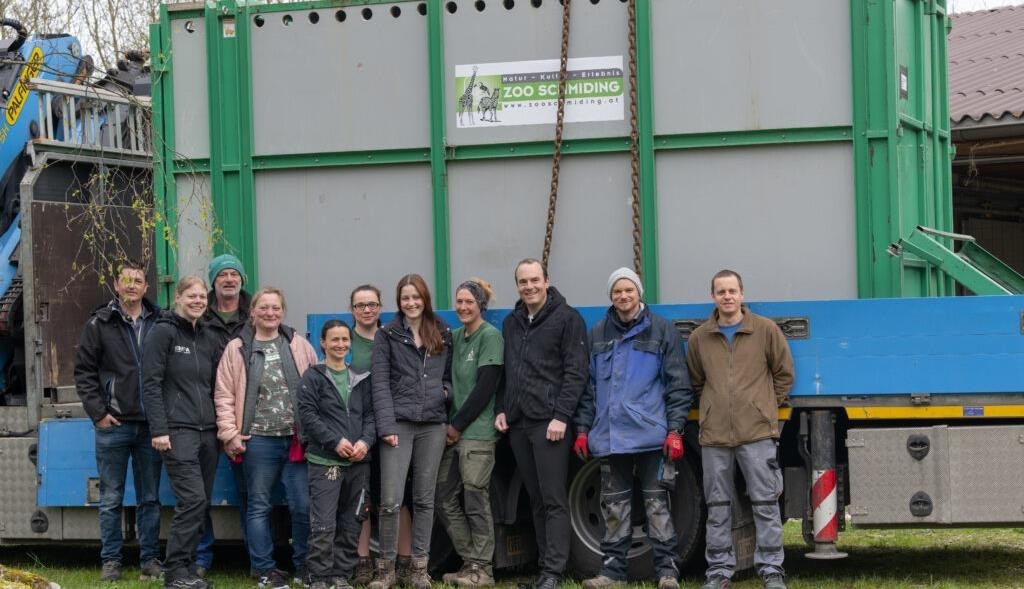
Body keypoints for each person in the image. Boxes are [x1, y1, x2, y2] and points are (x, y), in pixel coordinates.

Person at [574, 268, 694, 589]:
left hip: (652, 438)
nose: (623, 296)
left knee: (658, 506)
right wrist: (583, 428)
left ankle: (667, 572)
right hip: (610, 438)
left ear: (639, 293)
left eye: (629, 290)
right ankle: (612, 573)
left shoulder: (661, 330)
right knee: (614, 507)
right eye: (617, 291)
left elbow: (678, 385)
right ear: (611, 296)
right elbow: (587, 388)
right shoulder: (598, 332)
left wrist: (675, 430)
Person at [687, 270, 794, 589]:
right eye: (721, 291)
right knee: (718, 506)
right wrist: (711, 409)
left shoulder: (765, 330)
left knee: (765, 503)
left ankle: (772, 570)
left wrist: (762, 406)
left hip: (757, 434)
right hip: (715, 437)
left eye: (732, 290)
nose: (727, 296)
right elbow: (696, 380)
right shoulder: (699, 338)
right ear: (713, 297)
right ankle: (719, 571)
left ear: (742, 294)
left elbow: (784, 373)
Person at [215, 287, 318, 589]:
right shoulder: (237, 347)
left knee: (302, 506)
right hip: (258, 440)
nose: (270, 313)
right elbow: (223, 394)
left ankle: (304, 565)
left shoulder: (298, 344)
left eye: (275, 308)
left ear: (283, 311)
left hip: (297, 439)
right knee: (259, 506)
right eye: (264, 308)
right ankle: (264, 570)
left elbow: (316, 385)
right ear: (253, 312)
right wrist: (229, 434)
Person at [494, 259, 588, 589]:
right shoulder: (511, 322)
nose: (529, 286)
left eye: (535, 280)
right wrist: (503, 408)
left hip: (550, 424)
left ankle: (554, 573)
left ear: (547, 281)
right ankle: (543, 568)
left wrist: (561, 416)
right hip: (519, 423)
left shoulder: (567, 319)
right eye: (523, 281)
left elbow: (576, 373)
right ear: (517, 285)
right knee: (535, 499)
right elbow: (509, 371)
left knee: (553, 499)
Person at [74, 261, 163, 583]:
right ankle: (111, 561)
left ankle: (150, 560)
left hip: (151, 425)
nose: (132, 286)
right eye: (126, 280)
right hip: (114, 425)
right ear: (116, 284)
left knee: (150, 498)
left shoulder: (160, 321)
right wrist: (98, 412)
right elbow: (84, 372)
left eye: (138, 280)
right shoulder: (99, 323)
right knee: (111, 498)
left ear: (145, 287)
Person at [368, 274, 453, 589]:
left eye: (416, 297)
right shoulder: (387, 334)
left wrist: (445, 394)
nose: (411, 303)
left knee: (424, 499)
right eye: (405, 298)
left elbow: (450, 374)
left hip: (433, 425)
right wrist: (386, 426)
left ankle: (418, 569)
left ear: (425, 298)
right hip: (398, 425)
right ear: (398, 302)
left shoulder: (442, 330)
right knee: (390, 500)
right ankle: (386, 570)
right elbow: (379, 383)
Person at [141, 276, 220, 589]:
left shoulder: (208, 335)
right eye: (192, 296)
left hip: (208, 433)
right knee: (193, 501)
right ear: (178, 298)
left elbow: (215, 385)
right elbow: (150, 383)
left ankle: (186, 571)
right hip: (177, 432)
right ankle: (174, 573)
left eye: (202, 296)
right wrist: (159, 429)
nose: (198, 301)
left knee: (201, 503)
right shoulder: (163, 331)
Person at [297, 320, 376, 589]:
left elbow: (370, 416)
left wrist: (365, 442)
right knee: (324, 523)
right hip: (325, 462)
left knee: (352, 520)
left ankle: (341, 574)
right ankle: (318, 576)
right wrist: (335, 441)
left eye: (345, 339)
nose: (340, 344)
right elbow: (308, 416)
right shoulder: (313, 376)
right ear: (323, 343)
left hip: (358, 461)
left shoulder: (361, 377)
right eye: (334, 340)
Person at [436, 279, 503, 587]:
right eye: (459, 302)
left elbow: (485, 388)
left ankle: (483, 570)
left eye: (469, 302)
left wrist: (457, 425)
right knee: (444, 497)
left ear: (481, 306)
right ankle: (470, 560)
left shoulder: (490, 337)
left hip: (476, 432)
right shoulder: (456, 336)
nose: (463, 307)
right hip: (455, 431)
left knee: (475, 497)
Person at [349, 285, 416, 586]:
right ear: (352, 309)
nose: (367, 309)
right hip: (357, 432)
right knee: (362, 498)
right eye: (360, 305)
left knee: (396, 497)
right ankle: (363, 561)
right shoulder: (343, 340)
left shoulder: (390, 336)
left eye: (372, 304)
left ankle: (405, 562)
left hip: (391, 428)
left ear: (381, 307)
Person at [197, 252, 253, 578]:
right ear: (214, 281)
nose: (229, 279)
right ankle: (202, 558)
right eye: (222, 275)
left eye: (234, 274)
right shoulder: (198, 315)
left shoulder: (255, 315)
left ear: (242, 280)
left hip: (243, 419)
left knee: (250, 493)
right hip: (203, 415)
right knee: (199, 493)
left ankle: (255, 558)